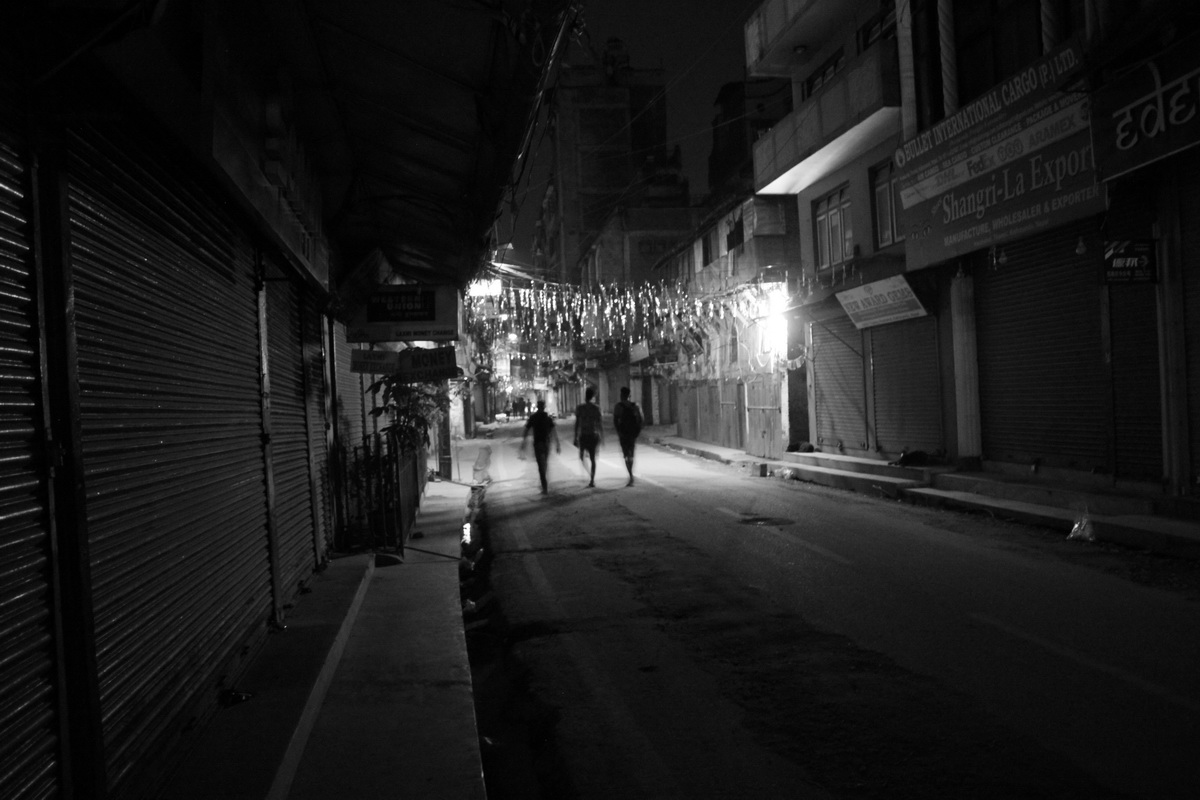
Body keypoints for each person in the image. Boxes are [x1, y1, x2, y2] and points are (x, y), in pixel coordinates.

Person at [519, 399, 560, 494]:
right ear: (544, 407)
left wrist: (523, 444)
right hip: (546, 443)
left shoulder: (533, 417)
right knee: (544, 463)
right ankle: (544, 483)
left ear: (538, 407)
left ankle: (544, 485)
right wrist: (557, 444)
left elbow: (526, 430)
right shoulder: (548, 418)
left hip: (538, 444)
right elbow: (554, 431)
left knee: (540, 466)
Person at [613, 386, 644, 486]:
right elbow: (641, 419)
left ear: (621, 395)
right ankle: (631, 473)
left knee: (626, 455)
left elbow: (615, 421)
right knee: (631, 453)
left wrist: (619, 431)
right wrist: (638, 431)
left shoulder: (618, 406)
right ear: (629, 395)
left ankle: (630, 475)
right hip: (632, 434)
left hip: (623, 433)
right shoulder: (635, 406)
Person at [573, 387, 603, 487]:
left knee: (582, 457)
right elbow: (599, 424)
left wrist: (575, 437)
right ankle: (592, 479)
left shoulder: (580, 408)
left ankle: (590, 475)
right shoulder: (596, 408)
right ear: (592, 396)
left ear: (585, 395)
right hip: (594, 435)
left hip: (584, 435)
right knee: (593, 458)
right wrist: (602, 436)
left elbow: (577, 424)